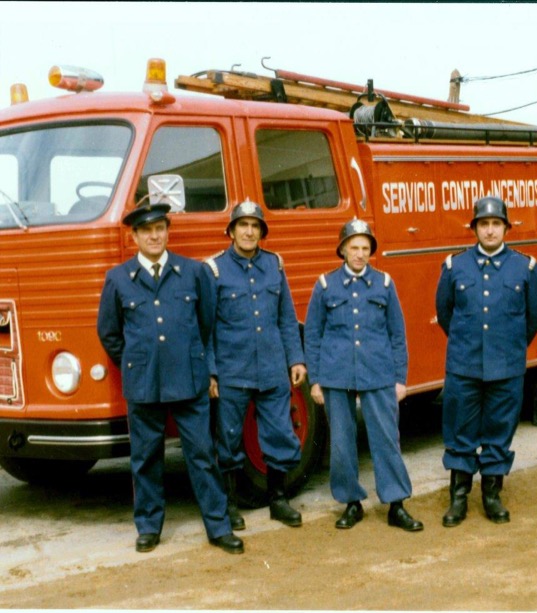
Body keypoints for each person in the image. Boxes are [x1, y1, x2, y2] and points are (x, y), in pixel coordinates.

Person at [97, 201, 243, 554]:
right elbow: (110, 333)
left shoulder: (193, 272)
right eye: (146, 231)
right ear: (134, 237)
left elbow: (206, 322)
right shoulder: (118, 279)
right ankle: (148, 526)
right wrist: (137, 362)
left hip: (189, 381)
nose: (154, 236)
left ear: (167, 231)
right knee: (145, 459)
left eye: (160, 228)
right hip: (144, 386)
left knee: (202, 455)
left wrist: (197, 361)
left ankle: (219, 526)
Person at [304, 219, 423, 532]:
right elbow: (313, 334)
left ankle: (396, 504)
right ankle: (351, 502)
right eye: (353, 247)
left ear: (371, 251)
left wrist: (400, 378)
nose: (359, 254)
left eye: (365, 248)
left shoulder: (384, 284)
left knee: (386, 440)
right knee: (342, 443)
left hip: (378, 372)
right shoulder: (325, 285)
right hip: (336, 374)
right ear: (342, 249)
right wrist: (315, 379)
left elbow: (397, 333)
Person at [435, 196, 537, 527]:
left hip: (506, 365)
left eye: (496, 224)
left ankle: (492, 496)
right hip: (464, 364)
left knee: (499, 431)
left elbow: (534, 314)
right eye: (484, 224)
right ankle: (458, 498)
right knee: (460, 431)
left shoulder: (525, 267)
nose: (490, 230)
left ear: (506, 228)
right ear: (475, 229)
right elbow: (445, 313)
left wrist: (510, 347)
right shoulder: (455, 266)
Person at [204, 200, 306, 531]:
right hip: (233, 371)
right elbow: (205, 327)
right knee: (229, 440)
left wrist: (296, 358)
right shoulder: (215, 270)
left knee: (279, 434)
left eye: (255, 226)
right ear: (231, 230)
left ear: (261, 231)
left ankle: (278, 499)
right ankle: (231, 505)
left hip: (273, 368)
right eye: (242, 225)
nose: (249, 231)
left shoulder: (275, 265)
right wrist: (212, 370)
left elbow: (286, 318)